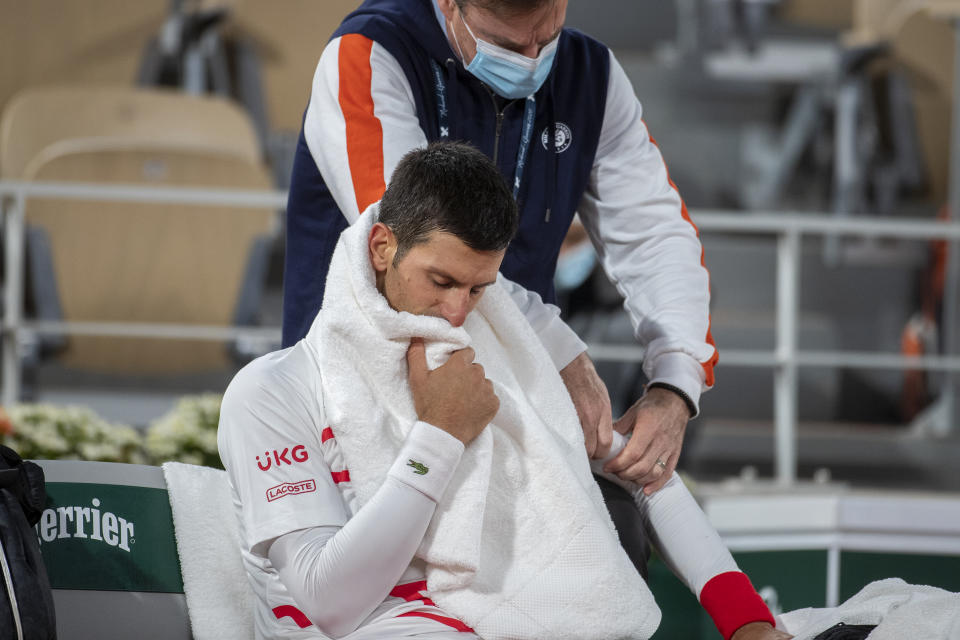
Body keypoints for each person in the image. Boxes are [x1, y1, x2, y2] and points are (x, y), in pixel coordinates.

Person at [221, 142, 788, 640]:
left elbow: (640, 469)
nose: (457, 310)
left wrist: (748, 621)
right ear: (381, 247)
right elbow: (328, 602)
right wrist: (439, 437)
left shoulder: (498, 340)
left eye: (478, 289)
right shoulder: (272, 392)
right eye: (441, 282)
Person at [282, 0, 718, 495]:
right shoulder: (369, 54)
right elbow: (421, 243)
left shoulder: (592, 75)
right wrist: (558, 351)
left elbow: (656, 235)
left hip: (516, 412)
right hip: (352, 405)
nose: (533, 58)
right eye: (510, 44)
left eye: (548, 33)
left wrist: (675, 383)